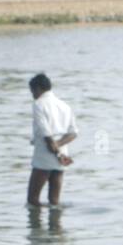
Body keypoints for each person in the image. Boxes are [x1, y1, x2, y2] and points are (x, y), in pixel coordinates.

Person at [26, 73, 78, 208]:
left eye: (32, 91)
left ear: (37, 89)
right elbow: (73, 133)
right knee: (54, 201)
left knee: (32, 199)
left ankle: (36, 228)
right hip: (61, 155)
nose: (32, 95)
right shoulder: (65, 106)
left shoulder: (38, 104)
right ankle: (56, 228)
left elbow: (45, 131)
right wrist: (59, 146)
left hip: (44, 155)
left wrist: (52, 144)